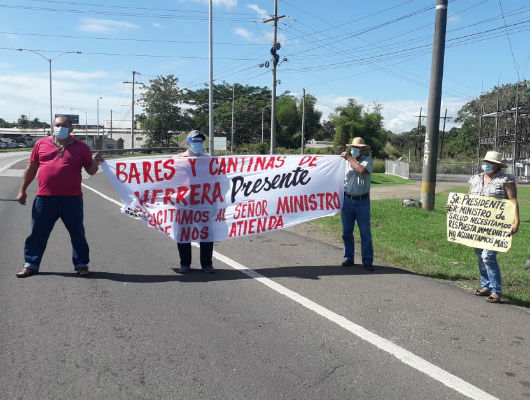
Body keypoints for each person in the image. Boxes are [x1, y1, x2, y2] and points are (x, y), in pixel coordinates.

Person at [16, 115, 103, 278]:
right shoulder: (40, 144)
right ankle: (30, 264)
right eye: (57, 125)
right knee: (37, 234)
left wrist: (95, 162)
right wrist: (22, 190)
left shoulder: (81, 147)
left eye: (64, 125)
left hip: (72, 199)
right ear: (51, 127)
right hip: (45, 198)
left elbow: (90, 170)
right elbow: (32, 167)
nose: (60, 128)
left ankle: (81, 264)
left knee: (77, 233)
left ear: (71, 129)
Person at [446, 150, 519, 303]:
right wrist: (454, 207)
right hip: (477, 226)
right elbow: (469, 200)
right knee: (480, 255)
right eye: (486, 162)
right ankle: (486, 286)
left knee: (488, 256)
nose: (487, 165)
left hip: (497, 226)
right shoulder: (475, 179)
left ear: (498, 166)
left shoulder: (506, 179)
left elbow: (513, 201)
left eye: (491, 163)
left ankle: (496, 291)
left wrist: (516, 222)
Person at [174, 130, 214, 274]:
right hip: (183, 203)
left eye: (200, 142)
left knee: (206, 234)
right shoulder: (177, 159)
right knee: (184, 234)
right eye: (194, 142)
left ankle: (207, 264)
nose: (197, 144)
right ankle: (185, 264)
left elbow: (219, 179)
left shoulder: (208, 160)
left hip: (204, 202)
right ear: (188, 143)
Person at [340, 137, 374, 272]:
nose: (354, 149)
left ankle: (367, 260)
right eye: (353, 147)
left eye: (357, 148)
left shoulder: (368, 160)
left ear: (363, 149)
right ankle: (349, 257)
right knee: (346, 232)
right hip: (347, 200)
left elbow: (361, 170)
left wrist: (349, 158)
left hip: (362, 202)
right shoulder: (344, 162)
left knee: (365, 232)